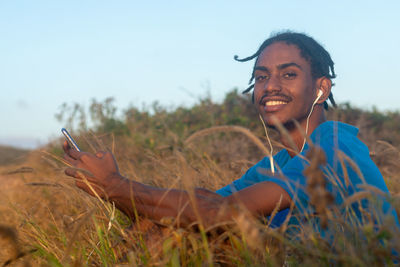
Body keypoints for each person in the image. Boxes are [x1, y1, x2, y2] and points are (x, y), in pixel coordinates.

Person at [63, 31, 398, 230]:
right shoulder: (272, 168)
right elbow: (193, 213)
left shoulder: (336, 147)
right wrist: (108, 189)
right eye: (262, 77)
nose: (271, 86)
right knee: (168, 236)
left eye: (289, 74)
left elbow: (223, 213)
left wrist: (116, 185)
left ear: (320, 89)